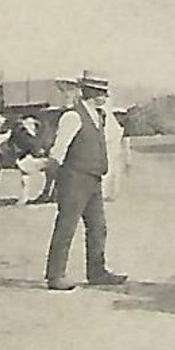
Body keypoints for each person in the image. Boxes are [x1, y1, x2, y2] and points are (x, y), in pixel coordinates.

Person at [43, 70, 128, 291]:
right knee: (66, 226)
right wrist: (55, 182)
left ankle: (97, 272)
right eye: (100, 92)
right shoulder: (73, 116)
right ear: (89, 92)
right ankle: (55, 276)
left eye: (104, 92)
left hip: (93, 179)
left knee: (99, 227)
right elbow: (58, 151)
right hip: (74, 179)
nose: (104, 96)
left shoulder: (100, 116)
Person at [7, 114, 49, 205]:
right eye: (28, 123)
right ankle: (26, 197)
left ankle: (29, 196)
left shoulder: (33, 136)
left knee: (26, 176)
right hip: (26, 157)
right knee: (25, 177)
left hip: (30, 158)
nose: (31, 126)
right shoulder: (22, 134)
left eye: (32, 124)